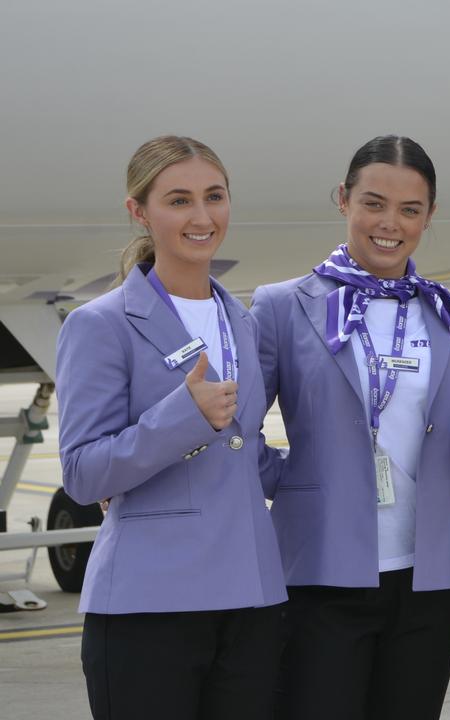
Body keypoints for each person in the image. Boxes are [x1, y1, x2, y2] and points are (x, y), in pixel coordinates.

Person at [251, 135, 450, 720]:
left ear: (429, 216)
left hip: (429, 578)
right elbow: (239, 433)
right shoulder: (283, 306)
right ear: (343, 199)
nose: (390, 223)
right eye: (373, 203)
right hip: (320, 572)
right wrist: (294, 481)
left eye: (410, 210)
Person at [55, 135, 286, 720]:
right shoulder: (100, 325)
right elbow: (83, 474)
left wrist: (347, 462)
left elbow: (247, 454)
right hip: (148, 608)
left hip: (251, 601)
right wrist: (181, 418)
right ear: (139, 211)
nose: (203, 217)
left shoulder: (243, 321)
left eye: (215, 197)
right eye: (179, 200)